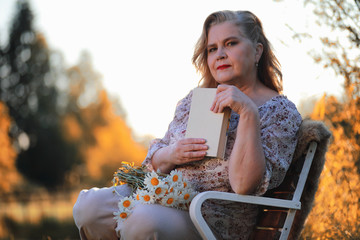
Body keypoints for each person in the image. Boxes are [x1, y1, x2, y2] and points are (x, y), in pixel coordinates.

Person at [73, 10, 302, 240]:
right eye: (212, 49)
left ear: (257, 51)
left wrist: (247, 112)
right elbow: (152, 162)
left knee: (142, 220)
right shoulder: (196, 100)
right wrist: (172, 154)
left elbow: (244, 185)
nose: (220, 54)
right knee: (89, 207)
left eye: (230, 43)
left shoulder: (280, 111)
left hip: (210, 217)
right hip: (163, 195)